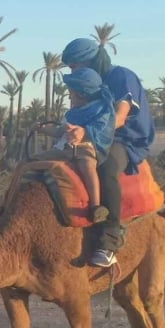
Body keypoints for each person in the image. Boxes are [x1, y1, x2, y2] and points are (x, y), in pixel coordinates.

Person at [61, 37, 155, 268]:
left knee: (106, 167)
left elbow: (120, 118)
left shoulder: (121, 77)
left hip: (125, 139)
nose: (73, 72)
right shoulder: (88, 82)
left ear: (89, 61)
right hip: (94, 136)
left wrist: (86, 132)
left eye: (74, 66)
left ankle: (109, 241)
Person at [54, 69, 116, 242]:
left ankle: (96, 206)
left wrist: (84, 131)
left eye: (71, 94)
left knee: (87, 166)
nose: (69, 98)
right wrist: (40, 128)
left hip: (85, 148)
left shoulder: (101, 110)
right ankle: (9, 202)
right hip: (65, 149)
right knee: (32, 162)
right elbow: (59, 131)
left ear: (82, 94)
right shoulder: (72, 114)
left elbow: (101, 130)